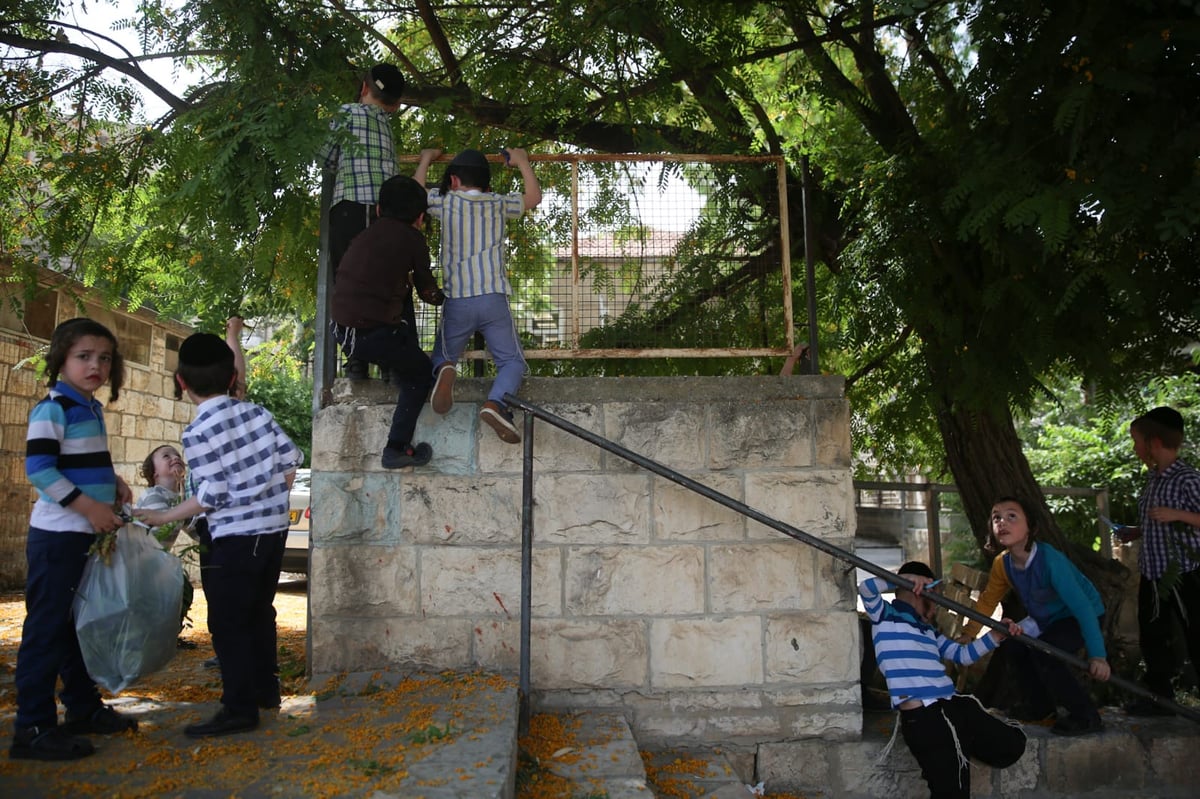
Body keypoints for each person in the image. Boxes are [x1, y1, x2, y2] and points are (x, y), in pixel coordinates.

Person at [134, 332, 301, 738]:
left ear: (181, 382)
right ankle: (266, 690)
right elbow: (292, 461)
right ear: (232, 378)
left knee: (228, 623)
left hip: (233, 538)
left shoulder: (198, 432)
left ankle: (239, 707)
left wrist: (162, 517)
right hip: (274, 531)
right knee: (261, 611)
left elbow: (211, 495)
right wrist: (263, 491)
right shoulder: (257, 414)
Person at [10, 318, 137, 761]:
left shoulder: (89, 407)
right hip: (58, 537)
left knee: (73, 630)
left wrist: (114, 482)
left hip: (84, 535)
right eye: (84, 356)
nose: (95, 365)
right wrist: (90, 507)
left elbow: (79, 463)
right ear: (61, 358)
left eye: (104, 358)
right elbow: (41, 470)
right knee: (46, 631)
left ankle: (82, 708)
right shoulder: (54, 408)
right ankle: (33, 727)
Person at [859, 561, 1026, 798]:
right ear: (920, 590)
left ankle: (970, 741)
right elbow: (866, 588)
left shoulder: (929, 632)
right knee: (951, 792)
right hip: (925, 718)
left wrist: (996, 635)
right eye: (935, 594)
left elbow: (963, 655)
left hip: (952, 706)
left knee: (1012, 744)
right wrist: (904, 578)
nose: (937, 604)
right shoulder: (884, 615)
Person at [414, 146, 542, 444]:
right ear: (486, 184)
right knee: (512, 361)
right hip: (493, 298)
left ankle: (446, 369)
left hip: (458, 298)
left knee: (443, 355)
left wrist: (424, 160)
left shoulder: (445, 201)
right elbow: (534, 198)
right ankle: (496, 403)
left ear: (454, 181)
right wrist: (522, 161)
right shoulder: (498, 203)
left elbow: (416, 193)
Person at [330, 174, 446, 469]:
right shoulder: (413, 239)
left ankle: (391, 367)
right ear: (420, 218)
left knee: (399, 320)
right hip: (372, 335)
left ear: (379, 210)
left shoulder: (365, 234)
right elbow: (427, 290)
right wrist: (449, 298)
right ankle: (395, 447)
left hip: (342, 330)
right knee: (420, 375)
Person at [988, 496, 1110, 735]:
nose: (1002, 522)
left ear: (1031, 527)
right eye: (996, 517)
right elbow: (987, 600)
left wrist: (1099, 656)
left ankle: (1085, 716)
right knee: (1013, 646)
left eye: (1012, 516)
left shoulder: (1050, 560)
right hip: (1047, 618)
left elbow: (1082, 607)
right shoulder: (1004, 563)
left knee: (1047, 650)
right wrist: (967, 635)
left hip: (1081, 615)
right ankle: (1040, 708)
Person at [318, 63, 407, 380]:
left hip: (351, 208)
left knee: (350, 282)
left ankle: (356, 359)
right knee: (390, 282)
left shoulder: (344, 113)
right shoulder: (387, 127)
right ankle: (392, 361)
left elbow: (325, 157)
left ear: (364, 87)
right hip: (388, 215)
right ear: (395, 105)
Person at [1120, 406, 1200, 715]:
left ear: (1154, 442)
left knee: (1196, 634)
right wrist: (1135, 532)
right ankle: (1160, 698)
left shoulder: (1187, 479)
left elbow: (1182, 518)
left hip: (1185, 574)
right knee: (1153, 636)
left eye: (1136, 440)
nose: (1135, 448)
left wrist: (1177, 514)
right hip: (1153, 574)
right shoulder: (1154, 479)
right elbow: (1157, 520)